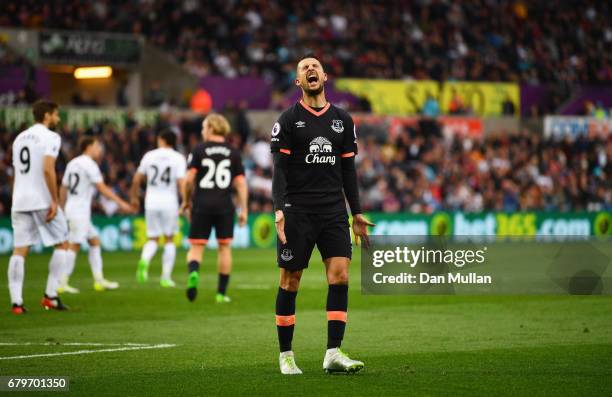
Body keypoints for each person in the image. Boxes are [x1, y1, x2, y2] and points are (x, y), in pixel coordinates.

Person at [271, 55, 373, 375]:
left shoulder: (343, 119)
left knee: (340, 276)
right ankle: (286, 355)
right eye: (304, 68)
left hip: (333, 212)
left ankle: (333, 352)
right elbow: (279, 170)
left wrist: (355, 212)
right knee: (290, 281)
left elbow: (348, 170)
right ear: (298, 81)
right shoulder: (287, 120)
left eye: (315, 66)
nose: (310, 69)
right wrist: (278, 208)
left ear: (325, 76)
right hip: (297, 211)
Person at [8, 99, 70, 314]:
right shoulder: (51, 137)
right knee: (62, 244)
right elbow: (47, 169)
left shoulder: (19, 139)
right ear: (47, 116)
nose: (58, 119)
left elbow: (16, 173)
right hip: (42, 199)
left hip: (20, 199)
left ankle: (17, 303)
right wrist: (54, 200)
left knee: (19, 250)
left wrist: (16, 198)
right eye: (56, 114)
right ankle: (50, 297)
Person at [180, 113, 248, 303]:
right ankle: (221, 293)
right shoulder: (233, 152)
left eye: (203, 127)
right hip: (225, 206)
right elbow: (241, 184)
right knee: (224, 248)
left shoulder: (199, 150)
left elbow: (188, 181)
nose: (202, 130)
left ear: (211, 128)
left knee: (196, 247)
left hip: (201, 204)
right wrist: (245, 210)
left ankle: (194, 272)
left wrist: (186, 201)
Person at [59, 137, 134, 293]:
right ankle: (61, 282)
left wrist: (61, 207)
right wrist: (122, 203)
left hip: (73, 208)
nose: (99, 149)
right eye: (97, 146)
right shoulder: (90, 164)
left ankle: (99, 280)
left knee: (94, 241)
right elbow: (102, 188)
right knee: (74, 245)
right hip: (79, 211)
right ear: (88, 147)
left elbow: (63, 187)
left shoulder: (72, 163)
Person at [130, 130, 187, 287]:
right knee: (169, 239)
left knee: (153, 239)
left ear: (161, 140)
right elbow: (182, 182)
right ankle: (166, 277)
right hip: (169, 201)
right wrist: (186, 201)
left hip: (151, 201)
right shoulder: (178, 158)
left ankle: (144, 260)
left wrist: (134, 197)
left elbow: (136, 179)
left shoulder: (149, 156)